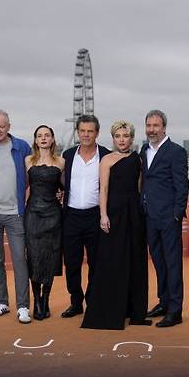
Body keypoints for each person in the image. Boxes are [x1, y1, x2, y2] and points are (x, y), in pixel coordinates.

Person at [81, 121, 150, 330]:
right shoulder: (107, 160)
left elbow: (139, 189)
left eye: (126, 136)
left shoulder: (138, 160)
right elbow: (103, 190)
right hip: (113, 213)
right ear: (113, 138)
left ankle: (135, 311)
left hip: (134, 215)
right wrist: (103, 215)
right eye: (118, 136)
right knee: (113, 260)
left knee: (135, 260)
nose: (122, 139)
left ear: (131, 138)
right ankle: (110, 311)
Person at [0, 110, 33, 324]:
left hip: (15, 214)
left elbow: (31, 175)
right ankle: (1, 302)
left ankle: (23, 307)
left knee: (20, 260)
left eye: (2, 126)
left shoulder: (22, 147)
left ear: (9, 126)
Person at [141, 109, 189, 328]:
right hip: (149, 217)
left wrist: (177, 215)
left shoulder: (176, 151)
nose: (152, 130)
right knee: (159, 262)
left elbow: (182, 186)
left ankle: (175, 310)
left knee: (172, 264)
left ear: (164, 127)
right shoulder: (144, 150)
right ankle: (163, 302)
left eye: (156, 126)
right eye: (149, 126)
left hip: (169, 218)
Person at [60, 115, 111, 318]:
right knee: (71, 263)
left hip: (94, 216)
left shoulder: (106, 155)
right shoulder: (68, 155)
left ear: (97, 133)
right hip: (71, 216)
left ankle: (93, 300)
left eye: (90, 131)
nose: (86, 134)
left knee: (96, 262)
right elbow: (61, 180)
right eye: (83, 131)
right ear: (78, 132)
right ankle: (75, 302)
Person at [24, 125, 64, 320]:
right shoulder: (27, 161)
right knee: (33, 257)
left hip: (53, 216)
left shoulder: (62, 162)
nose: (43, 138)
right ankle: (36, 300)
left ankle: (45, 300)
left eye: (47, 135)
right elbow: (23, 187)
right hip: (32, 215)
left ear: (52, 138)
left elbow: (66, 187)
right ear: (35, 140)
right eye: (39, 135)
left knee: (49, 258)